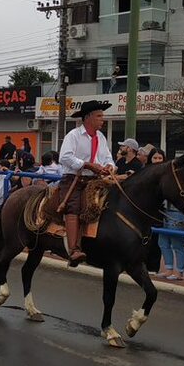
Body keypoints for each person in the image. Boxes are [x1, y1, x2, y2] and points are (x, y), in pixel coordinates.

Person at [58, 100, 115, 266]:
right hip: (74, 179)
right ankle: (74, 249)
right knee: (73, 206)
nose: (102, 119)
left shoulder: (101, 137)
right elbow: (65, 157)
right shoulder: (73, 135)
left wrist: (110, 166)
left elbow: (108, 157)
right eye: (99, 116)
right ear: (88, 118)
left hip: (95, 180)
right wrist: (87, 164)